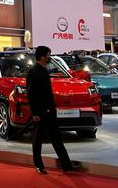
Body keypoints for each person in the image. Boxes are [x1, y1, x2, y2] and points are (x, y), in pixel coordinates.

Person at [27, 45, 80, 174]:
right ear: (42, 57)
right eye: (48, 55)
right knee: (38, 139)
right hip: (40, 112)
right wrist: (35, 113)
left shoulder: (44, 71)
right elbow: (31, 94)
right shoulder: (33, 72)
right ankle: (38, 165)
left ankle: (66, 165)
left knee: (57, 138)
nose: (49, 58)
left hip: (50, 110)